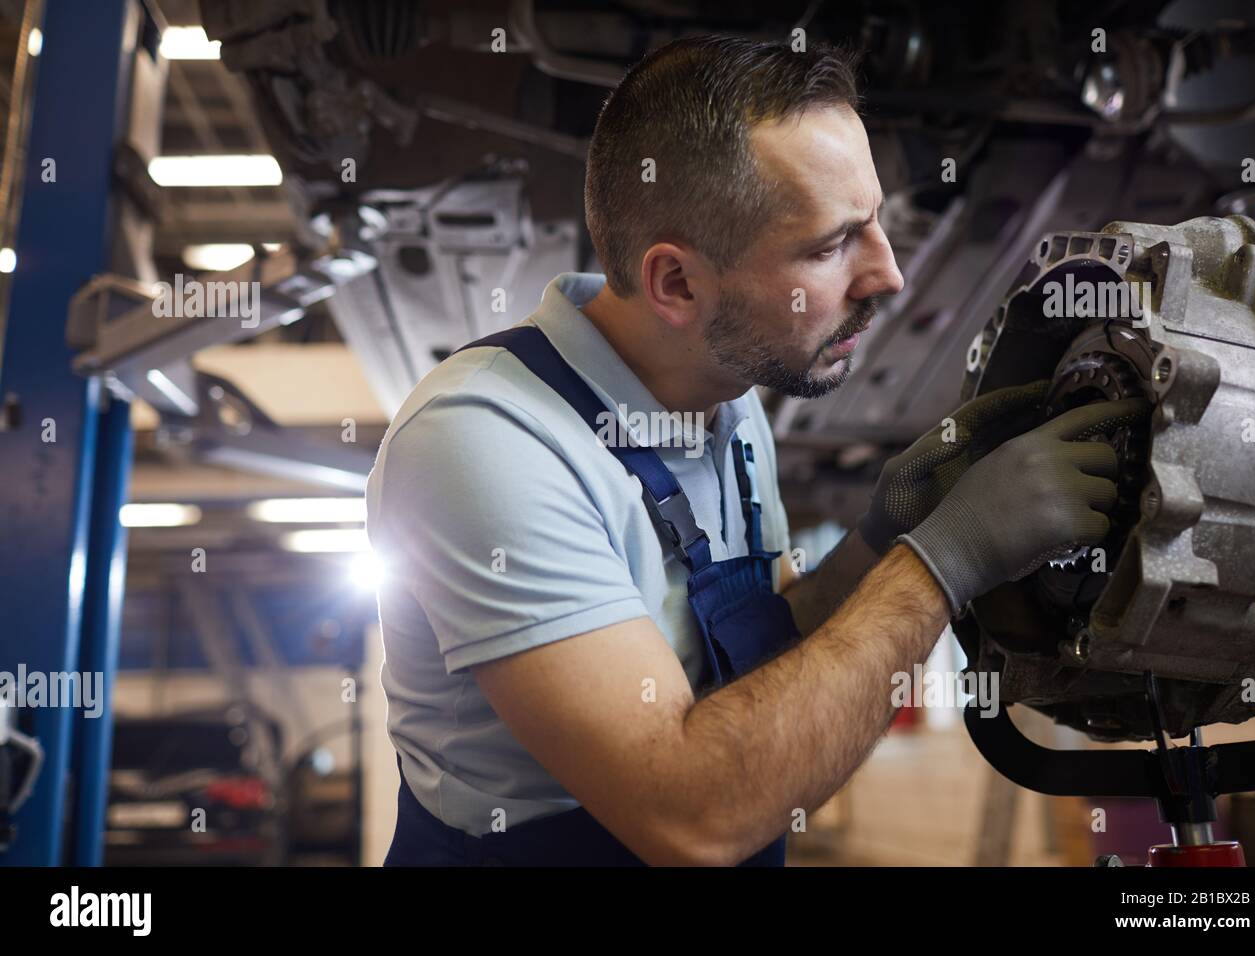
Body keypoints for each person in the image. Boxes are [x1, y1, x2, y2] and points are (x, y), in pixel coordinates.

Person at [367, 35, 1145, 866]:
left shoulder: (732, 410)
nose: (888, 276)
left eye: (876, 221)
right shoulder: (486, 441)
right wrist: (945, 562)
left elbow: (763, 662)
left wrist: (888, 531)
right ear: (677, 284)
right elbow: (694, 814)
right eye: (829, 245)